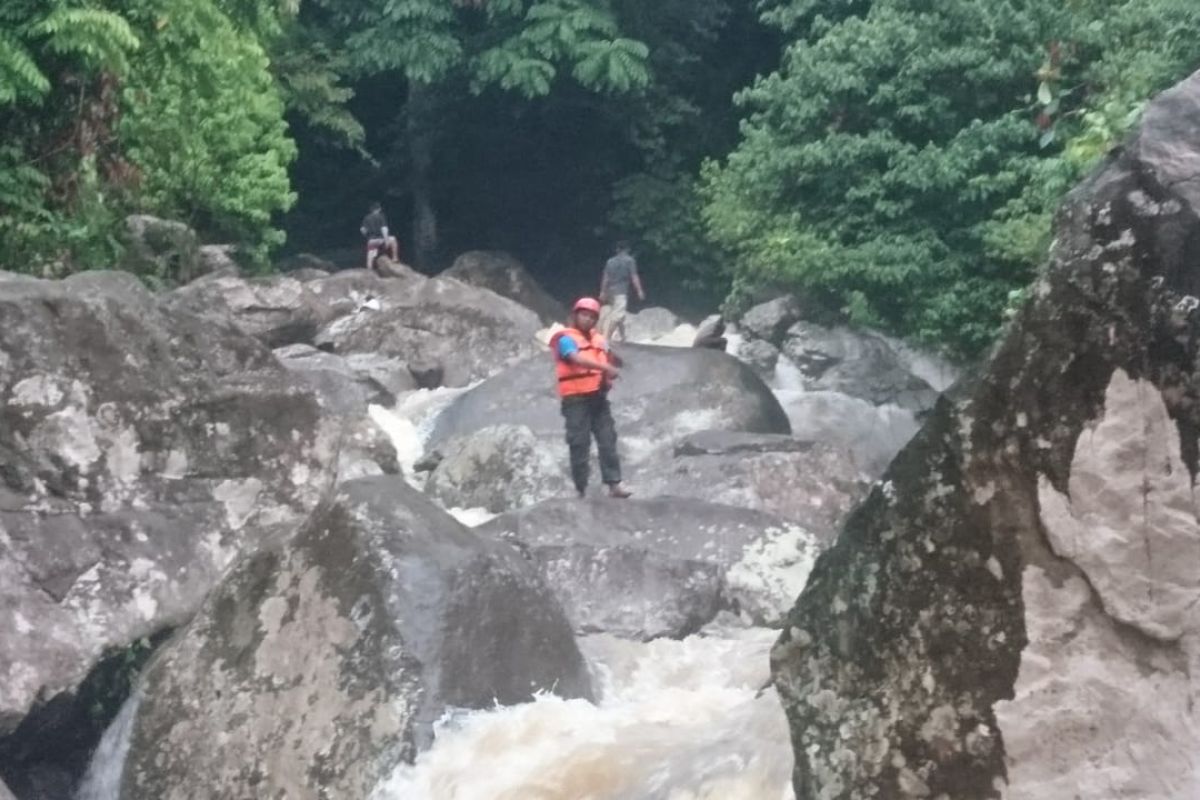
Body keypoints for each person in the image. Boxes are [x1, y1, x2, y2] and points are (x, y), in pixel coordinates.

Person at [549, 297, 633, 499]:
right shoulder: (565, 339)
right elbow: (576, 358)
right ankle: (581, 489)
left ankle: (614, 484)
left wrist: (613, 366)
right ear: (575, 316)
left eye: (591, 317)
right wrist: (606, 367)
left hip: (598, 398)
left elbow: (610, 356)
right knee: (579, 443)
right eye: (583, 315)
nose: (587, 319)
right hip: (575, 400)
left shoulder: (598, 339)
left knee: (608, 440)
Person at [598, 241, 645, 342]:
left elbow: (605, 277)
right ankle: (607, 338)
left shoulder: (610, 261)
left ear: (617, 249)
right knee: (618, 315)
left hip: (610, 292)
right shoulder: (630, 261)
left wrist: (602, 291)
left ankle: (623, 337)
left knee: (617, 313)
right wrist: (639, 290)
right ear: (627, 249)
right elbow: (634, 276)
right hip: (621, 292)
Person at [360, 202, 399, 269]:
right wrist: (386, 240)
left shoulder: (366, 217)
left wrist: (367, 236)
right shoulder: (381, 216)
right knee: (393, 239)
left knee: (370, 255)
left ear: (371, 209)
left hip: (371, 241)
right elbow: (384, 229)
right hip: (380, 240)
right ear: (379, 209)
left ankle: (369, 270)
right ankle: (394, 257)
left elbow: (363, 230)